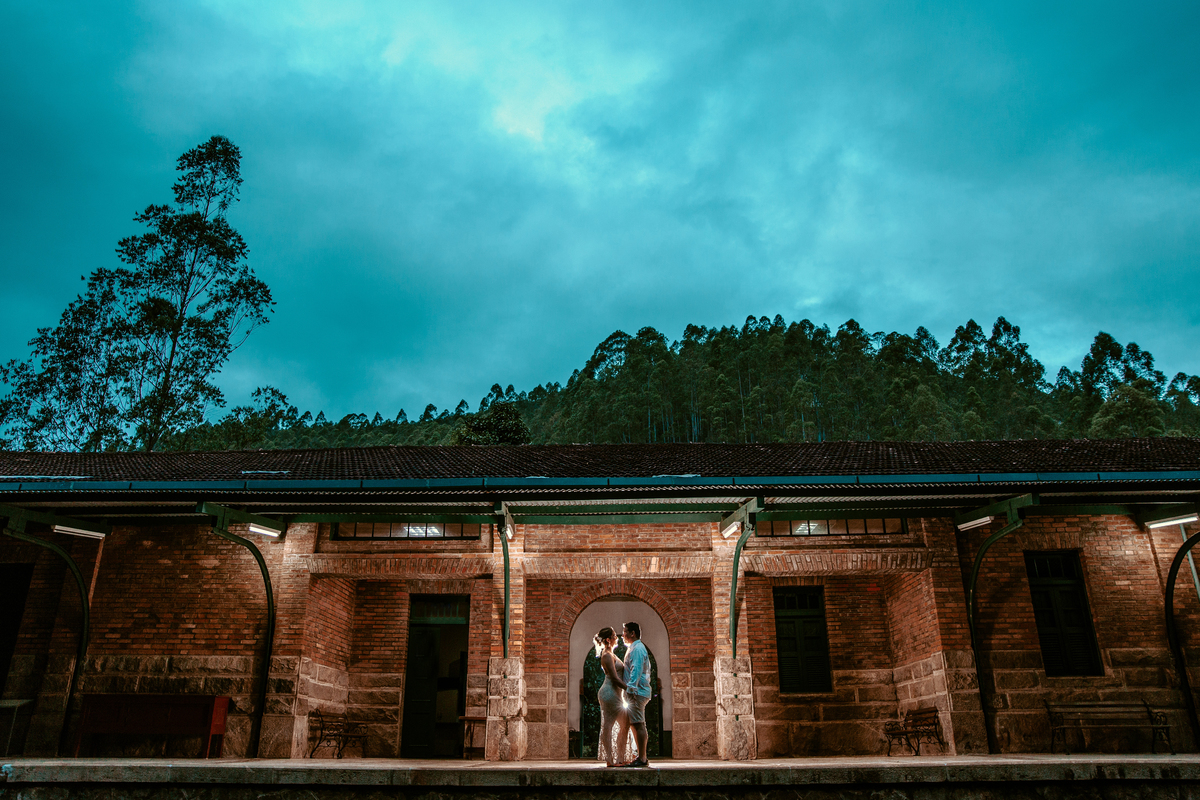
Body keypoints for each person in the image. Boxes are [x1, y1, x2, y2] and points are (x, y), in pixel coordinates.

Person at [593, 626, 632, 766]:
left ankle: (620, 757)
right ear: (608, 640)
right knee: (608, 725)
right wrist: (630, 689)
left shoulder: (611, 654)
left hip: (615, 693)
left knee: (624, 724)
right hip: (609, 692)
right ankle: (610, 759)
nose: (617, 638)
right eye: (615, 636)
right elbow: (614, 678)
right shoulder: (606, 655)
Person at [617, 621, 652, 767]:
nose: (622, 635)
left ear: (633, 633)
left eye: (625, 632)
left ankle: (642, 758)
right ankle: (640, 756)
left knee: (639, 724)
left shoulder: (637, 648)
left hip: (637, 692)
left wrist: (631, 690)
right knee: (635, 723)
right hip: (637, 691)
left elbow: (636, 670)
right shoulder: (634, 647)